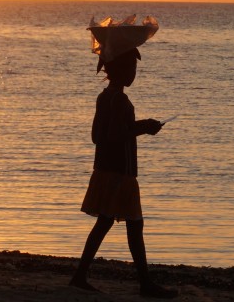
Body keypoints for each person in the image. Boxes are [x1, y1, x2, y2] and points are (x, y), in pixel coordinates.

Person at [69, 47, 177, 299]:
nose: (134, 73)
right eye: (132, 68)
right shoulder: (120, 100)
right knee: (134, 225)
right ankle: (145, 284)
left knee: (105, 222)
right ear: (122, 71)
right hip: (120, 173)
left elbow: (98, 136)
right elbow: (115, 135)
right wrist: (143, 129)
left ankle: (80, 275)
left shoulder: (103, 97)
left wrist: (140, 126)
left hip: (105, 170)